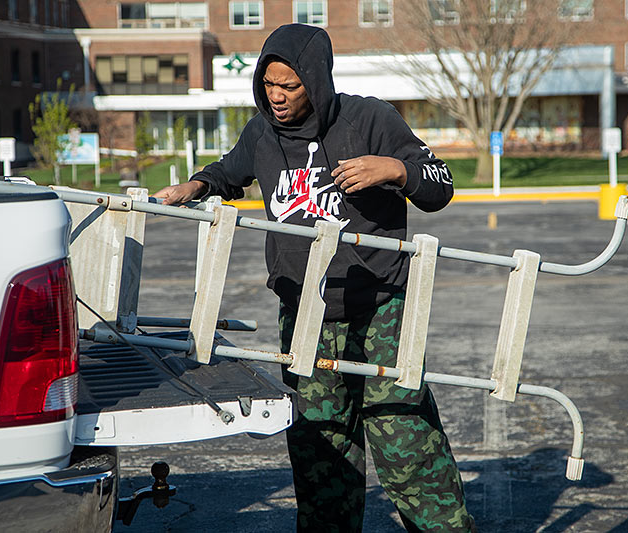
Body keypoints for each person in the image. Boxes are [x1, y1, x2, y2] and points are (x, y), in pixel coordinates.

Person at [155, 23, 474, 533]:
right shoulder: (262, 132)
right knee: (322, 451)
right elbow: (229, 171)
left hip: (380, 308)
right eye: (269, 85)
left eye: (290, 86)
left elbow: (441, 185)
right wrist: (194, 185)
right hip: (305, 315)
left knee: (405, 443)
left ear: (317, 81)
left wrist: (392, 168)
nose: (276, 98)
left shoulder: (370, 118)